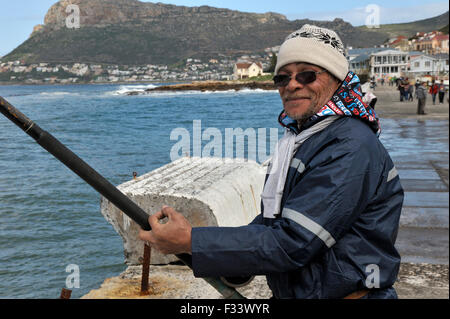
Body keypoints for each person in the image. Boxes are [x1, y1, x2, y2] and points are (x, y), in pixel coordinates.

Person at [139, 25, 404, 299]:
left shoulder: (349, 145)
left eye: (307, 74)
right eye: (282, 78)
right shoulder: (305, 138)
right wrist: (221, 257)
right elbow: (272, 221)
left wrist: (192, 241)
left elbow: (294, 242)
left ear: (337, 79)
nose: (292, 85)